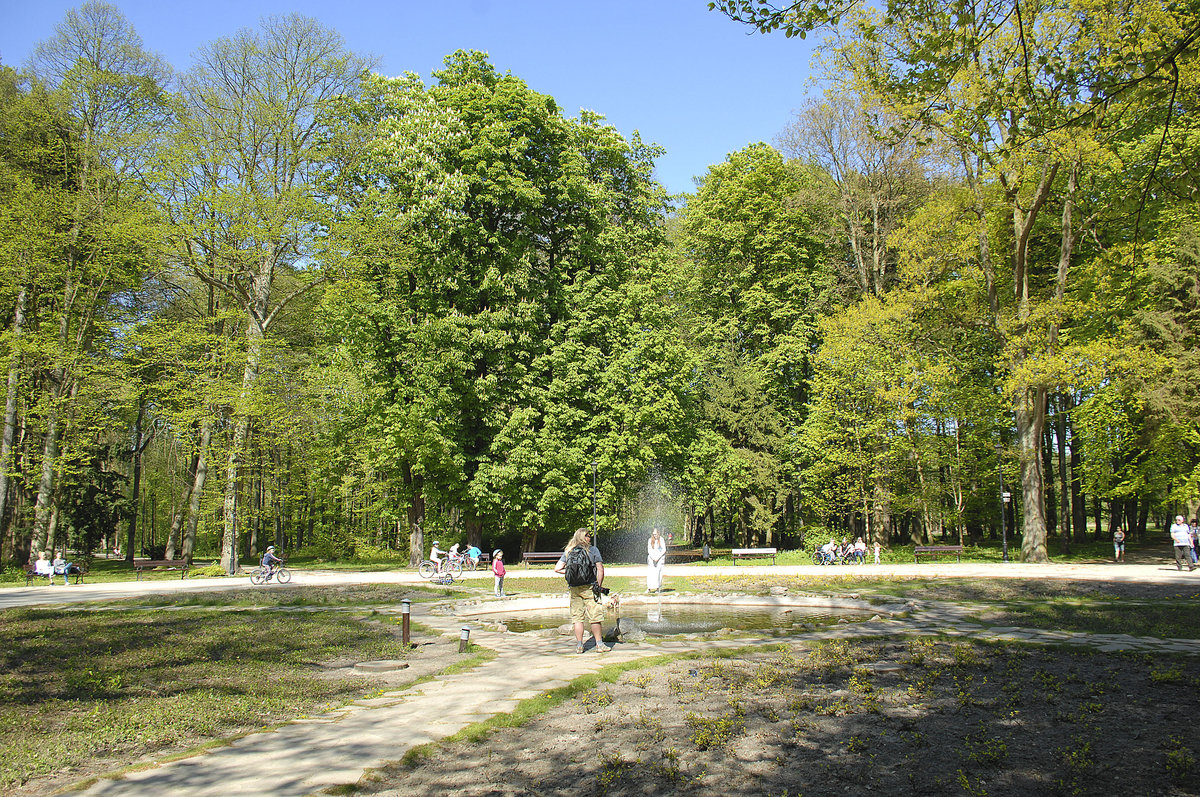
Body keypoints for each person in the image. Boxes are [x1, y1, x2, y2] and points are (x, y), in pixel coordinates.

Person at [554, 528, 609, 654]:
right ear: (584, 537)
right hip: (590, 587)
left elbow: (557, 568)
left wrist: (569, 572)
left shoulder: (569, 550)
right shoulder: (593, 550)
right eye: (588, 535)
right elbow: (600, 569)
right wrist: (598, 586)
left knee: (577, 618)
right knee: (595, 617)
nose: (590, 538)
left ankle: (579, 645)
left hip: (574, 588)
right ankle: (599, 644)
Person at [646, 528, 666, 593]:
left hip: (660, 559)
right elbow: (649, 550)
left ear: (658, 533)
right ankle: (649, 588)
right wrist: (653, 558)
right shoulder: (650, 540)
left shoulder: (661, 540)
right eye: (653, 534)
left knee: (658, 573)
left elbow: (663, 550)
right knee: (651, 573)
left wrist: (657, 558)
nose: (655, 535)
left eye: (656, 534)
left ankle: (658, 588)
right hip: (652, 559)